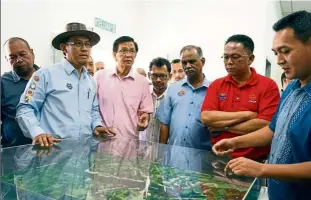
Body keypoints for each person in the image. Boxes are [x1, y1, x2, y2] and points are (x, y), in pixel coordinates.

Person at [212, 11, 311, 200]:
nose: (280, 60)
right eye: (276, 53)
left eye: (286, 51)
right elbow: (272, 131)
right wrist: (235, 142)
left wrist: (262, 169)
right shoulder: (291, 89)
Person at [16, 22, 112, 147]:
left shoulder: (90, 81)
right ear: (64, 48)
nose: (84, 48)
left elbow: (93, 110)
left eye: (87, 44)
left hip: (83, 153)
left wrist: (97, 125)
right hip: (53, 151)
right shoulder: (45, 75)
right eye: (77, 43)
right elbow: (25, 108)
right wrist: (37, 132)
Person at [201, 34, 280, 160]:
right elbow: (206, 117)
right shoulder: (217, 85)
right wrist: (247, 115)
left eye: (235, 57)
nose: (229, 62)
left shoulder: (268, 85)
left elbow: (265, 124)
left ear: (250, 58)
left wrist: (222, 126)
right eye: (225, 57)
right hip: (220, 156)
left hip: (255, 159)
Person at [94, 36, 153, 143]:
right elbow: (91, 107)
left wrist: (145, 118)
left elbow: (145, 111)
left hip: (128, 142)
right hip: (102, 140)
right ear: (114, 54)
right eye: (123, 51)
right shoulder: (99, 77)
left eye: (132, 51)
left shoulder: (142, 82)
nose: (128, 55)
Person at [157, 45, 211, 151]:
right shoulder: (173, 89)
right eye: (184, 62)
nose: (188, 66)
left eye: (192, 61)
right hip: (174, 154)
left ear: (203, 61)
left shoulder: (213, 90)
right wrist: (161, 152)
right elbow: (165, 124)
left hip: (202, 157)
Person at [1, 37, 39, 147]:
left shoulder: (47, 79)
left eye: (22, 54)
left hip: (48, 150)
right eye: (12, 57)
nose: (19, 60)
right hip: (14, 152)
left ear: (31, 53)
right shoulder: (3, 83)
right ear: (7, 59)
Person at [140, 57, 171, 143]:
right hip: (142, 146)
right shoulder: (142, 94)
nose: (158, 80)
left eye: (162, 76)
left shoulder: (173, 97)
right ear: (149, 75)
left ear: (169, 76)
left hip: (164, 148)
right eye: (155, 75)